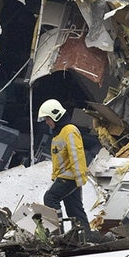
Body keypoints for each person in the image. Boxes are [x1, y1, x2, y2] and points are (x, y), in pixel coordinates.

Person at [38, 99, 90, 230]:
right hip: (68, 177)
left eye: (48, 119)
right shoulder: (59, 134)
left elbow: (76, 154)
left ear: (55, 116)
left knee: (50, 198)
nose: (47, 122)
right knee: (74, 209)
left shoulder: (69, 130)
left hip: (70, 177)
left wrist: (79, 178)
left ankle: (57, 232)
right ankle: (85, 235)